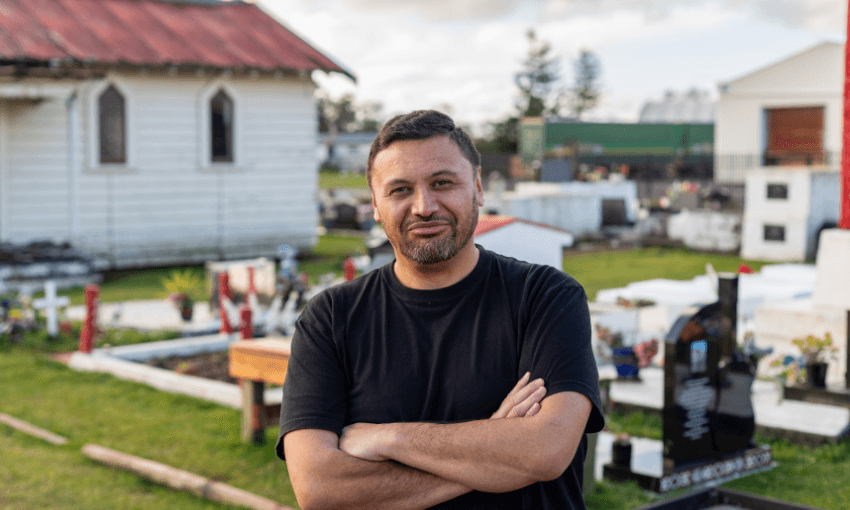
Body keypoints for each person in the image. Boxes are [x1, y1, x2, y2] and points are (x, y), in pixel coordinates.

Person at [276, 110, 604, 510]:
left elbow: (547, 449)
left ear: (478, 188)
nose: (424, 206)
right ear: (375, 206)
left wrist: (391, 438)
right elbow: (319, 487)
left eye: (442, 183)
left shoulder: (545, 297)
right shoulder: (329, 319)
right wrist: (495, 444)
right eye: (399, 190)